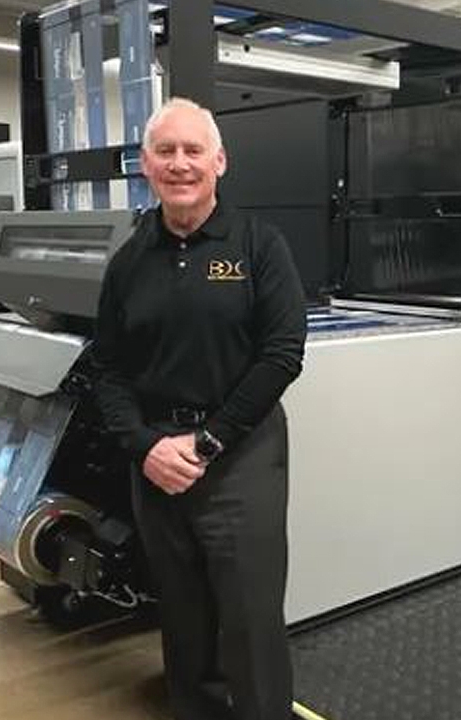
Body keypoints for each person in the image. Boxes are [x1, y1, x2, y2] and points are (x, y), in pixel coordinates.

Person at [90, 97, 308, 720]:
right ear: (145, 165)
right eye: (165, 151)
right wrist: (144, 447)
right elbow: (107, 369)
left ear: (219, 161)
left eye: (192, 151)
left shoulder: (258, 246)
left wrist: (209, 441)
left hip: (240, 459)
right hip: (157, 464)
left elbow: (282, 354)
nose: (179, 164)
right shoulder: (129, 262)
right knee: (182, 620)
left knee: (250, 620)